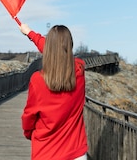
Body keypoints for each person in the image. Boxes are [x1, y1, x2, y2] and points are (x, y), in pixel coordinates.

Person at [19, 22, 88, 160]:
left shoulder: (38, 80)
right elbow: (59, 53)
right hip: (76, 153)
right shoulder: (79, 72)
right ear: (71, 45)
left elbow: (29, 115)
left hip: (46, 152)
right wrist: (30, 33)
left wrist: (29, 133)